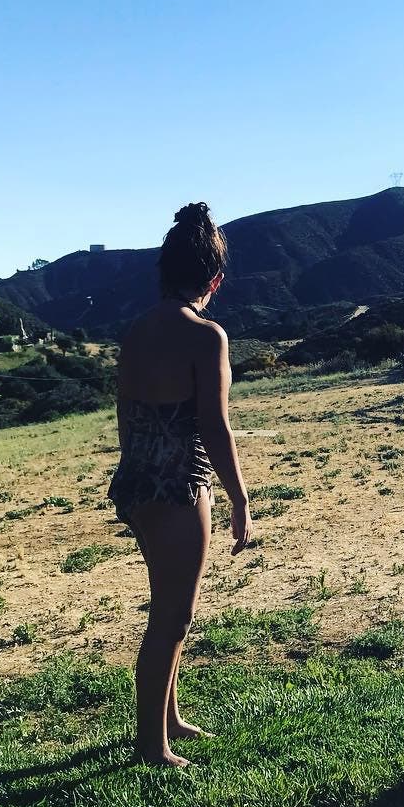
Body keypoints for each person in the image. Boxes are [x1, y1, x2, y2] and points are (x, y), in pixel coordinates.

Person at [108, 202, 251, 766]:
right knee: (173, 616)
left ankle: (167, 718)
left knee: (168, 607)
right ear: (214, 280)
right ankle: (153, 748)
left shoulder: (135, 332)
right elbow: (214, 427)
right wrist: (239, 498)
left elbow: (126, 417)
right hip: (179, 486)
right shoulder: (206, 336)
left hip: (137, 481)